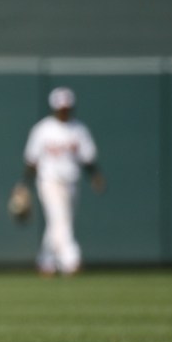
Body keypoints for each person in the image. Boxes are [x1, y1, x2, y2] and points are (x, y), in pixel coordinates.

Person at [21, 86, 105, 277]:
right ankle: (71, 261)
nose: (64, 110)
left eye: (67, 107)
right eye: (61, 107)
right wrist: (24, 184)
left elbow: (87, 158)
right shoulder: (43, 129)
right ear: (54, 107)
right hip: (48, 181)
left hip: (72, 182)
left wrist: (95, 175)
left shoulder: (79, 130)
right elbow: (31, 160)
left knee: (58, 222)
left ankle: (46, 262)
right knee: (60, 220)